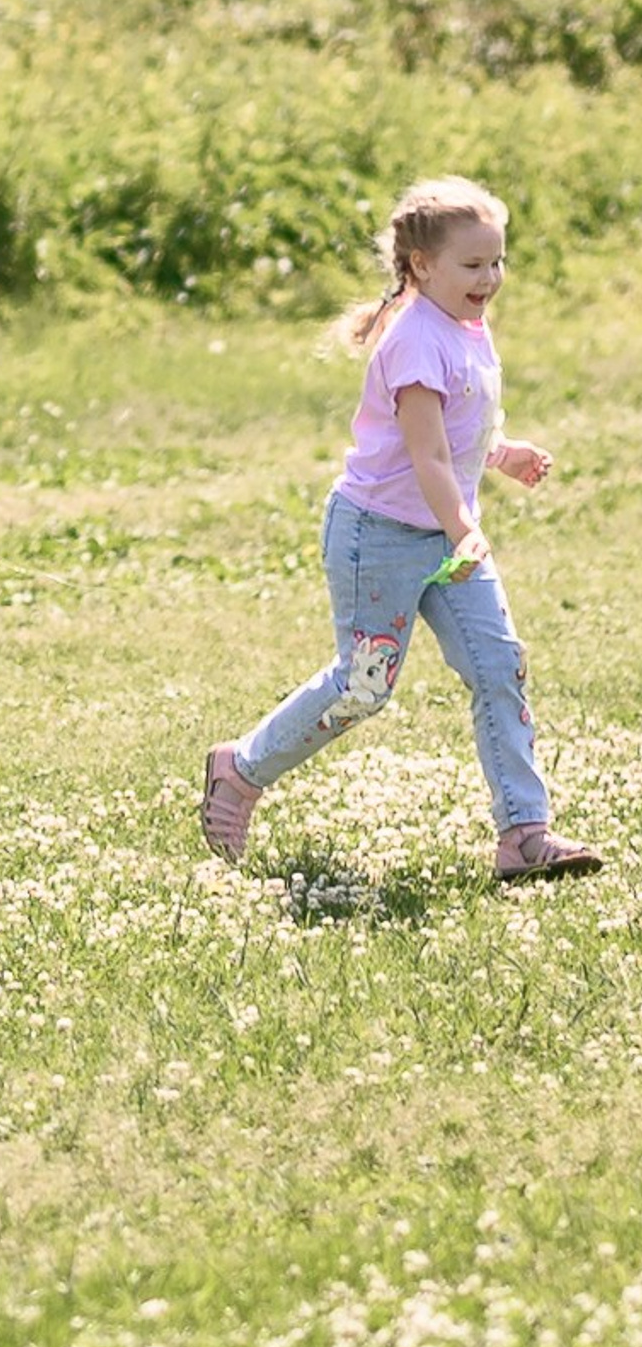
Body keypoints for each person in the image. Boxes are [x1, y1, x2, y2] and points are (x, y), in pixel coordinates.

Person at [201, 175, 600, 884]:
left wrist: (500, 452)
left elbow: (462, 420)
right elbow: (426, 454)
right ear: (421, 265)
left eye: (497, 261)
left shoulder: (466, 322)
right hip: (380, 535)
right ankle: (241, 769)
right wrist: (466, 528)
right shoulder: (416, 338)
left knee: (498, 665)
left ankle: (523, 833)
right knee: (364, 685)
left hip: (446, 535)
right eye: (473, 265)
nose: (491, 278)